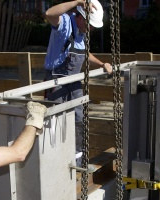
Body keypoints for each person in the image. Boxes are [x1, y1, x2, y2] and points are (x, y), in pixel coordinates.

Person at [44, 0, 112, 161]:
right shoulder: (65, 24)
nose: (91, 29)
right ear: (80, 17)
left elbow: (84, 54)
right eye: (90, 25)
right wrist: (78, 2)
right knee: (55, 121)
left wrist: (102, 64)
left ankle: (77, 159)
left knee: (79, 118)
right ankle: (56, 160)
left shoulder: (82, 34)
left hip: (73, 82)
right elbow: (49, 14)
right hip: (56, 82)